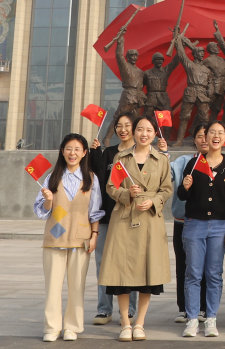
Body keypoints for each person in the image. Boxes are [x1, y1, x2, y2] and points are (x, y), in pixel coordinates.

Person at [98, 116, 173, 342]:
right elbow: (111, 186)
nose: (144, 134)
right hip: (124, 219)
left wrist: (153, 201)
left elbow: (166, 189)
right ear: (134, 132)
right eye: (140, 129)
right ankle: (125, 323)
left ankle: (139, 322)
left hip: (149, 220)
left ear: (154, 134)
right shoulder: (121, 158)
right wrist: (126, 194)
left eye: (148, 130)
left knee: (147, 273)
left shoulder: (161, 159)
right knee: (121, 273)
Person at [35, 133, 103, 342]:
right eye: (68, 149)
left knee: (77, 286)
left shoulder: (91, 178)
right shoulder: (52, 177)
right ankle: (52, 327)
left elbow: (95, 211)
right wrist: (48, 200)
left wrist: (94, 235)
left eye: (77, 149)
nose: (72, 153)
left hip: (81, 238)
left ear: (84, 153)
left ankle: (72, 327)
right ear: (62, 151)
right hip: (55, 238)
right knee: (52, 286)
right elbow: (42, 211)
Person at [177, 121, 225, 338]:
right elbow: (182, 195)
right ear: (205, 137)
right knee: (193, 273)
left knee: (214, 274)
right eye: (211, 132)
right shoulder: (194, 163)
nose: (215, 136)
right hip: (194, 224)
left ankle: (211, 318)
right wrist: (185, 187)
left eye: (220, 133)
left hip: (219, 226)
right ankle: (192, 319)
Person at [90, 114, 140, 325]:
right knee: (102, 263)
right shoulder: (109, 153)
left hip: (130, 216)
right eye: (119, 126)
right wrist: (94, 153)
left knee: (130, 263)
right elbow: (99, 179)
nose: (123, 129)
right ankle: (104, 309)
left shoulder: (139, 154)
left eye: (127, 125)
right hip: (107, 216)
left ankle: (129, 310)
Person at [170, 126, 209, 324]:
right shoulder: (182, 162)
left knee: (207, 267)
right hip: (183, 222)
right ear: (194, 140)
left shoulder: (220, 163)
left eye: (207, 136)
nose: (204, 140)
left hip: (208, 224)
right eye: (200, 136)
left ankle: (203, 308)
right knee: (183, 265)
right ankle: (183, 307)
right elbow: (165, 174)